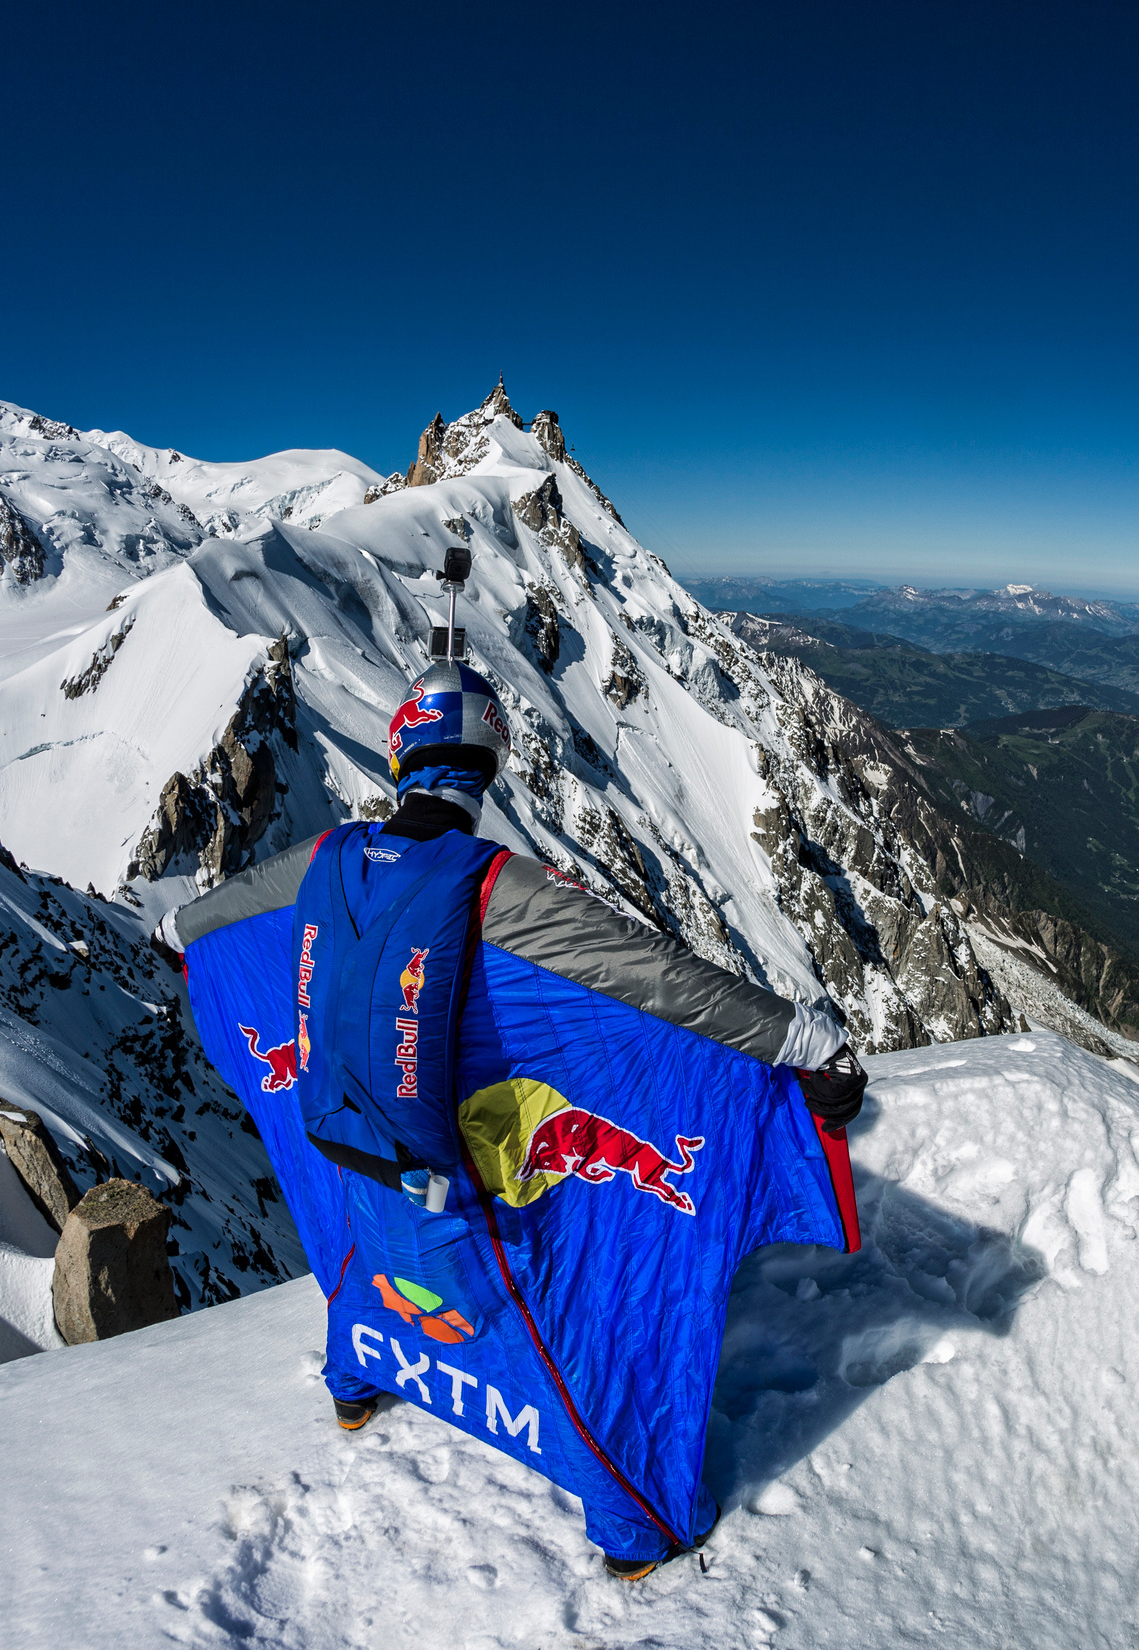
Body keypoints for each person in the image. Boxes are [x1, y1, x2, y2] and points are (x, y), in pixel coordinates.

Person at [286, 660, 866, 1579]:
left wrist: (178, 935)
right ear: (486, 763)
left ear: (399, 753)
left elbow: (222, 923)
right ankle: (636, 1526)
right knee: (551, 1344)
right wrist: (804, 1043)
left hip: (358, 1173)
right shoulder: (489, 887)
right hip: (460, 1201)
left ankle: (357, 1380)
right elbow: (657, 982)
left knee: (371, 1278)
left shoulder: (324, 864)